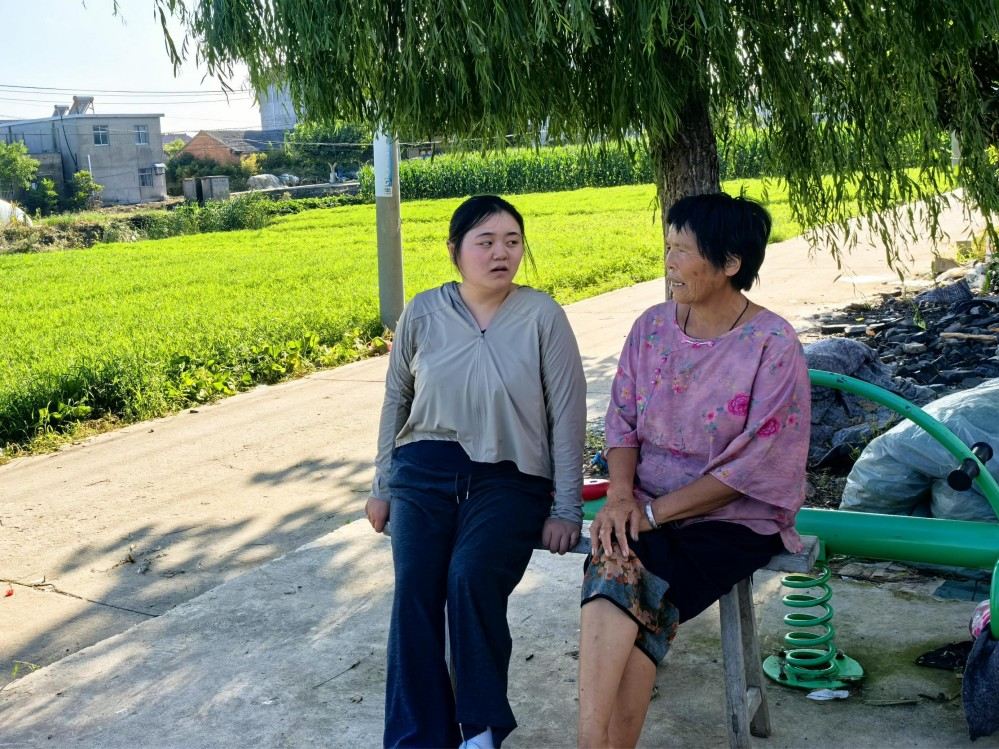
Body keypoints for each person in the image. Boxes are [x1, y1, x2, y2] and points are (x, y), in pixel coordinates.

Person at [576, 193, 811, 748]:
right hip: (645, 508)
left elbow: (752, 466)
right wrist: (622, 497)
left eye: (683, 251)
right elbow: (622, 421)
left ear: (730, 263)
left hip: (733, 521)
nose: (670, 263)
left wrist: (652, 515)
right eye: (668, 248)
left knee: (628, 583)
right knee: (620, 573)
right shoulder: (652, 327)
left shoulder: (772, 344)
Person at [366, 194, 587, 749]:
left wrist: (566, 507)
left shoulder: (542, 316)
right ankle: (417, 739)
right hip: (422, 470)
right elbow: (396, 402)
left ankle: (480, 732)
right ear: (454, 251)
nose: (500, 254)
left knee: (470, 578)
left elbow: (567, 414)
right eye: (485, 242)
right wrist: (382, 484)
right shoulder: (422, 312)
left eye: (512, 242)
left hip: (511, 479)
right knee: (415, 591)